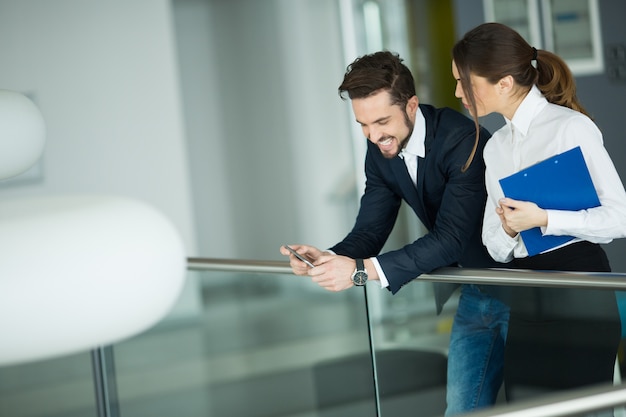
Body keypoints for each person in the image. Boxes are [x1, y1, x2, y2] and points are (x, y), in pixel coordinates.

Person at [280, 51, 509, 415]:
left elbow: (451, 238)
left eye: (382, 121)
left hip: (527, 290)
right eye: (363, 125)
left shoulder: (462, 140)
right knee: (462, 410)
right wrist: (328, 258)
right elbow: (370, 229)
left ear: (412, 105)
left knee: (553, 402)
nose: (374, 136)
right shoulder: (381, 152)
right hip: (476, 293)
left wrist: (359, 271)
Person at [452, 22, 626, 402]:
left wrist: (544, 218)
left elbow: (620, 217)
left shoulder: (570, 128)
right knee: (526, 407)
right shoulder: (494, 147)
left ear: (504, 83)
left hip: (581, 289)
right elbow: (494, 246)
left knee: (582, 410)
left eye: (465, 83)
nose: (457, 93)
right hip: (527, 293)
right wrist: (511, 230)